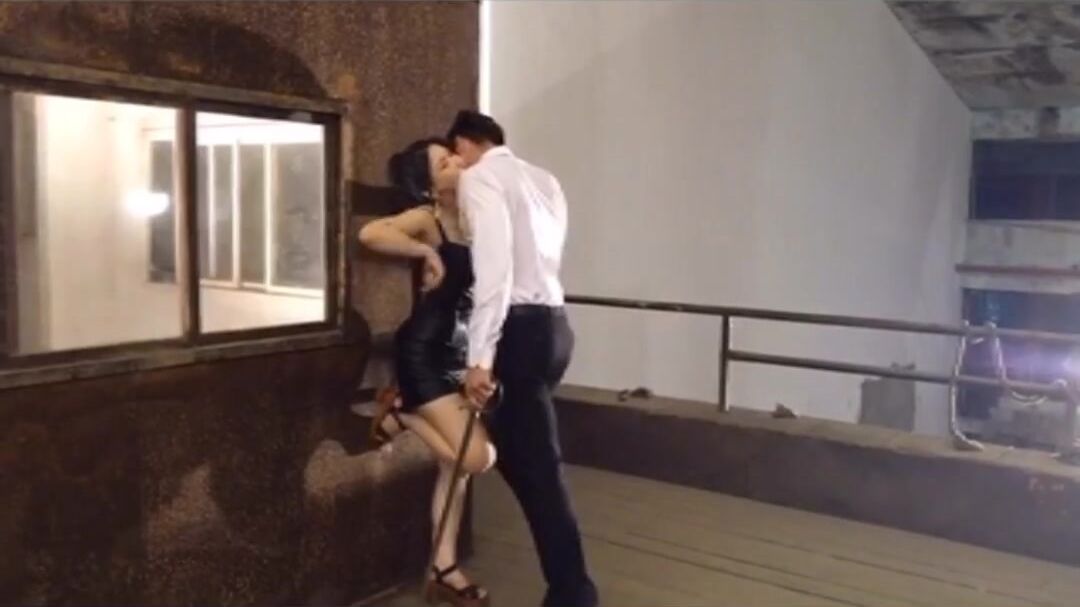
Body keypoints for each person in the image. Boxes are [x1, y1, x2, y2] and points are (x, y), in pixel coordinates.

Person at [450, 110, 599, 607]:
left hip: (518, 333)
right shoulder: (543, 179)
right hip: (555, 328)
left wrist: (480, 356)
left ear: (466, 144)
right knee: (525, 457)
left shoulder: (480, 177)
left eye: (455, 154)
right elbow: (548, 255)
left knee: (540, 471)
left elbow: (494, 271)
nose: (455, 164)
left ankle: (573, 593)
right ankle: (570, 586)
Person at [359, 137, 495, 607]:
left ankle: (444, 567)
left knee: (454, 470)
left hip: (461, 356)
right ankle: (403, 412)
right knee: (477, 458)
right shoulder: (428, 219)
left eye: (454, 155)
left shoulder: (478, 220)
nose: (457, 161)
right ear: (430, 185)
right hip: (423, 351)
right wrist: (424, 253)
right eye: (444, 162)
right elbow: (371, 234)